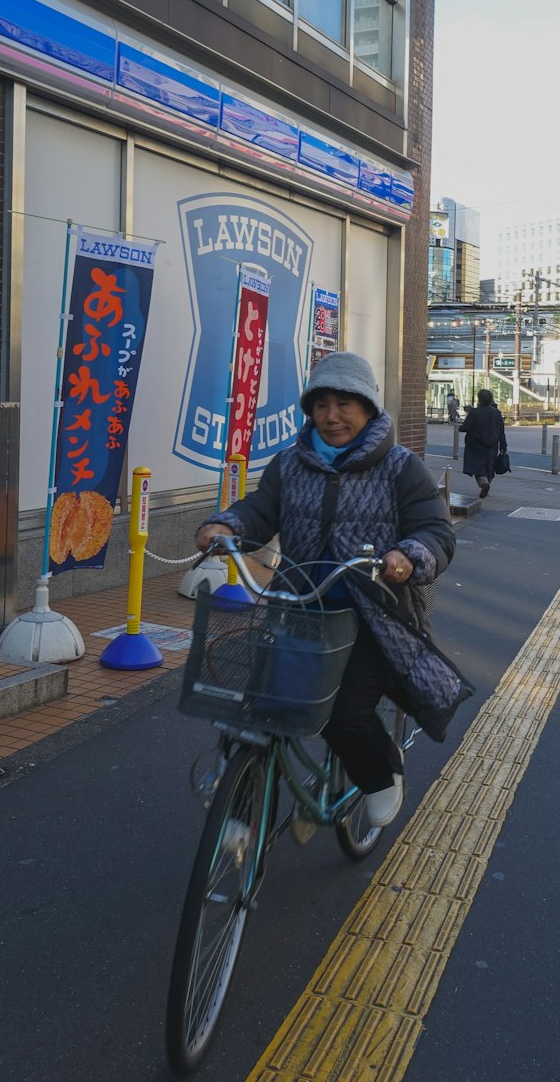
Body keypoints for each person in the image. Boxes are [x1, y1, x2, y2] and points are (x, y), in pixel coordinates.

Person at [193, 351, 471, 829]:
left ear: (367, 408)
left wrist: (408, 556)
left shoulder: (400, 467)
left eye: (345, 404)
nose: (332, 416)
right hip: (298, 607)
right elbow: (262, 509)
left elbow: (436, 532)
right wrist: (228, 525)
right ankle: (239, 810)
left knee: (344, 719)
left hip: (374, 617)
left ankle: (383, 772)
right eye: (321, 404)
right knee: (257, 707)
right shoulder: (290, 464)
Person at [459, 389, 507, 498]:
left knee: (478, 467)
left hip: (475, 444)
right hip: (492, 444)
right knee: (489, 466)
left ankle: (483, 483)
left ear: (479, 399)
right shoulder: (496, 413)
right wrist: (503, 446)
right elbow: (501, 431)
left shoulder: (475, 412)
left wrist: (460, 428)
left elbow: (466, 427)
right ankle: (487, 484)